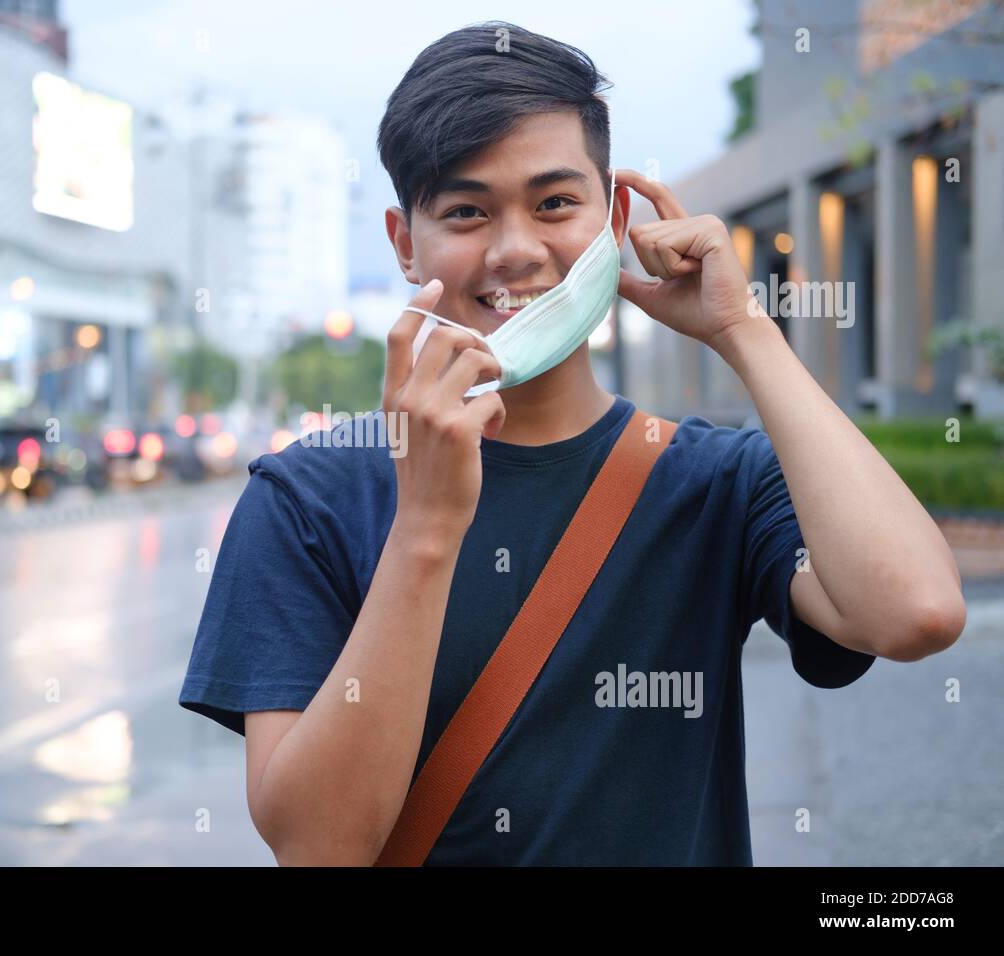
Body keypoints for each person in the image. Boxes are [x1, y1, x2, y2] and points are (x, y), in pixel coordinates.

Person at [177, 21, 966, 865]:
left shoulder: (710, 479)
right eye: (466, 211)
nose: (516, 251)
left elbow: (917, 613)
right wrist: (427, 528)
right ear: (406, 245)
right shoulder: (304, 499)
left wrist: (744, 332)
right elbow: (318, 848)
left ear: (614, 218)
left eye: (555, 203)